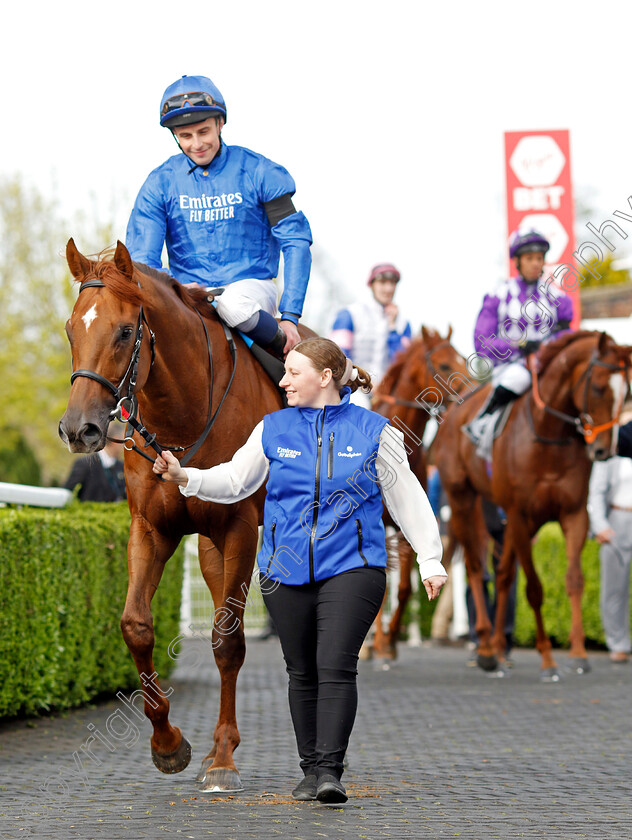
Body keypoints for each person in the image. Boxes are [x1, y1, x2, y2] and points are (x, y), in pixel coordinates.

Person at [153, 337, 446, 803]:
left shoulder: (375, 431)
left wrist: (430, 559)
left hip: (354, 566)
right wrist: (185, 476)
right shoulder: (272, 428)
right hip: (283, 571)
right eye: (284, 372)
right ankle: (310, 770)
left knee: (334, 665)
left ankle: (330, 770)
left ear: (325, 377)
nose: (283, 381)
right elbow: (234, 480)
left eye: (293, 372)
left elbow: (407, 497)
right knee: (302, 672)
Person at [126, 74, 313, 357]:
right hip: (188, 295)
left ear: (220, 124)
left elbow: (296, 242)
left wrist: (290, 315)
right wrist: (173, 286)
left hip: (250, 289)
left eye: (204, 132)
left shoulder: (260, 171)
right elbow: (141, 258)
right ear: (175, 136)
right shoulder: (158, 183)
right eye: (185, 136)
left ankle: (285, 355)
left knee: (233, 305)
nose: (196, 144)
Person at [473, 229, 574, 417]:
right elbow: (482, 342)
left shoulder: (559, 298)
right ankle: (483, 419)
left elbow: (566, 336)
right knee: (518, 378)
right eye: (529, 258)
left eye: (539, 258)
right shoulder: (497, 295)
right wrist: (519, 346)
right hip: (509, 369)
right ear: (517, 261)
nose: (536, 263)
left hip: (548, 366)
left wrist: (545, 347)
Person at [329, 263, 411, 405]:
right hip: (354, 388)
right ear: (372, 284)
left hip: (388, 394)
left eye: (392, 283)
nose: (389, 288)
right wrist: (364, 383)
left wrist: (392, 329)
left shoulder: (403, 324)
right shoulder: (350, 314)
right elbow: (337, 357)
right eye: (383, 282)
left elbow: (402, 364)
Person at [588, 443, 632, 663]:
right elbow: (596, 490)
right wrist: (599, 525)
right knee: (615, 589)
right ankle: (618, 643)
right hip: (618, 519)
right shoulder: (611, 450)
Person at [64, 438, 126, 502]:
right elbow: (68, 491)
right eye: (123, 442)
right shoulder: (84, 464)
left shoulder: (121, 466)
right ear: (115, 441)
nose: (125, 446)